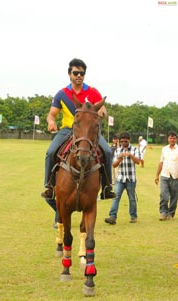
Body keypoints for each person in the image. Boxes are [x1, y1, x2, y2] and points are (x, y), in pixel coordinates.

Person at [41, 58, 115, 225]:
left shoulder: (93, 91)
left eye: (82, 73)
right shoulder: (62, 94)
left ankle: (107, 187)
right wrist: (51, 122)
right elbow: (52, 114)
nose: (79, 75)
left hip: (88, 132)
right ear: (69, 74)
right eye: (76, 73)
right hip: (68, 130)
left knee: (108, 152)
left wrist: (101, 113)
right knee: (50, 152)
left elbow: (102, 109)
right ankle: (48, 186)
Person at [105, 131, 140, 225]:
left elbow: (138, 162)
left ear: (129, 140)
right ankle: (112, 216)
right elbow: (114, 165)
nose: (124, 143)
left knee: (132, 198)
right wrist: (120, 159)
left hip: (131, 178)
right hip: (120, 178)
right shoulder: (118, 150)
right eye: (122, 141)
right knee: (116, 197)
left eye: (126, 141)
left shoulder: (134, 149)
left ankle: (133, 216)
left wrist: (130, 155)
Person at [155, 130, 178, 221]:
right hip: (165, 175)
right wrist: (157, 175)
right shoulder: (164, 149)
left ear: (176, 139)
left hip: (175, 176)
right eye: (170, 138)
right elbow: (161, 163)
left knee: (174, 196)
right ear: (168, 139)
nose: (172, 139)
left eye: (174, 138)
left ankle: (171, 214)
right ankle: (163, 212)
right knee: (164, 195)